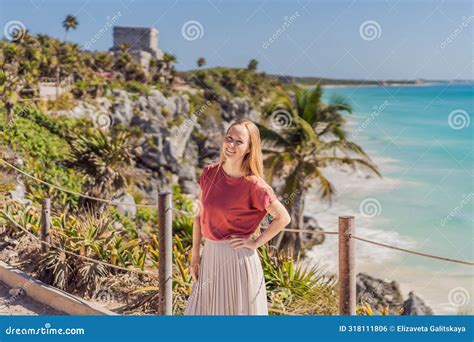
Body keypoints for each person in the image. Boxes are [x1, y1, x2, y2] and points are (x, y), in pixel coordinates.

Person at [184, 119, 291, 315]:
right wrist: (195, 257)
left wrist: (255, 242)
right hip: (210, 257)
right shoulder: (209, 173)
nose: (231, 145)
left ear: (250, 148)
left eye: (239, 142)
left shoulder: (255, 185)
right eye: (229, 138)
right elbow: (198, 215)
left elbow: (283, 217)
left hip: (238, 261)